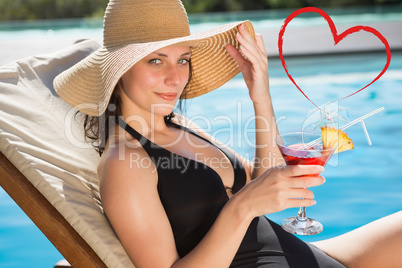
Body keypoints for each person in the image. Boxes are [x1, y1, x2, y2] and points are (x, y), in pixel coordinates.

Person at [54, 0, 402, 267]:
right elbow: (247, 205)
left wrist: (260, 94)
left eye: (184, 59)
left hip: (295, 253)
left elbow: (263, 183)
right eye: (156, 61)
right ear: (120, 68)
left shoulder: (181, 128)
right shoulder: (124, 161)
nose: (176, 78)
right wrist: (243, 207)